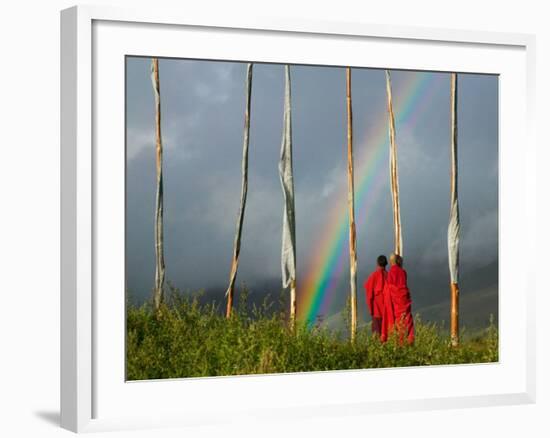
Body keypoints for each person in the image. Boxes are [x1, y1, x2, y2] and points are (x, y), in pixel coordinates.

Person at [382, 253, 415, 344]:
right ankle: (409, 342)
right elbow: (403, 287)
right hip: (404, 302)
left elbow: (388, 290)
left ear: (390, 262)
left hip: (395, 304)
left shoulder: (390, 274)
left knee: (397, 324)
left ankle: (397, 344)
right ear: (398, 261)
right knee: (407, 322)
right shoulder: (403, 272)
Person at [364, 255, 388, 337]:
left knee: (376, 336)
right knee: (387, 336)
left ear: (377, 264)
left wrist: (371, 310)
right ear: (386, 264)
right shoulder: (389, 276)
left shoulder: (373, 276)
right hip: (387, 312)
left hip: (377, 312)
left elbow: (369, 295)